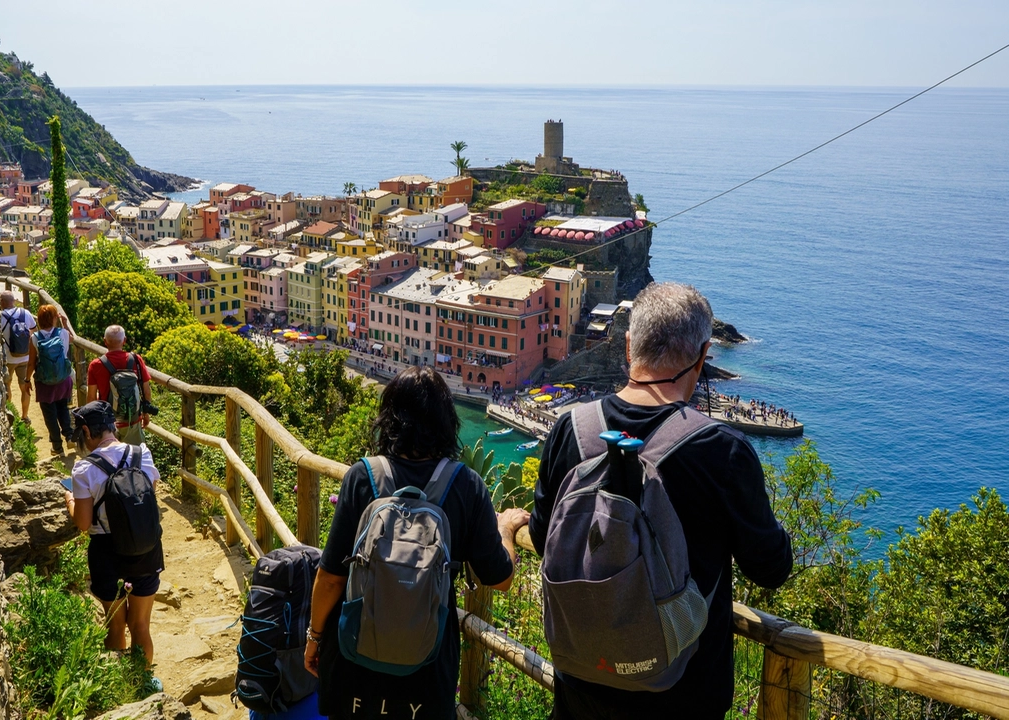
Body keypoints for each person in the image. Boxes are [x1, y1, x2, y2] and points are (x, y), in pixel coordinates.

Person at [529, 282, 792, 720]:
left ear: (629, 346)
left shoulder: (569, 430)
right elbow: (770, 568)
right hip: (683, 697)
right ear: (703, 356)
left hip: (580, 686)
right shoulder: (723, 450)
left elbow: (543, 539)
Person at [304, 366, 530, 720]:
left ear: (388, 418)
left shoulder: (362, 476)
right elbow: (499, 578)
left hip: (353, 663)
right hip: (426, 674)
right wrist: (506, 527)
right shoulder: (467, 485)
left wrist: (315, 636)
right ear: (447, 422)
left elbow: (331, 578)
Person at [64, 401, 162, 670]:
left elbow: (83, 523)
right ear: (112, 427)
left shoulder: (83, 469)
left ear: (86, 430)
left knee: (115, 625)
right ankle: (143, 683)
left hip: (107, 552)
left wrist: (70, 500)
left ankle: (122, 686)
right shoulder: (142, 453)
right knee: (141, 624)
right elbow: (148, 495)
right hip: (145, 546)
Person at [86, 325, 154, 445]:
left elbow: (91, 398)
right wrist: (145, 413)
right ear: (124, 340)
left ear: (105, 341)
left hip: (108, 423)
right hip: (132, 421)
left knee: (112, 460)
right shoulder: (136, 359)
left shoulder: (96, 365)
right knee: (134, 458)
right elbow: (146, 390)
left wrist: (91, 423)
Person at [27, 304, 75, 455]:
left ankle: (57, 446)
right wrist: (65, 323)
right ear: (55, 318)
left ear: (39, 320)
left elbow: (31, 362)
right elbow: (74, 339)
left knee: (49, 414)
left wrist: (26, 380)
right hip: (63, 379)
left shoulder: (34, 338)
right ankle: (69, 436)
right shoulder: (63, 334)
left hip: (45, 382)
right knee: (63, 408)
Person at [0, 290, 34, 422]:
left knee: (7, 384)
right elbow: (33, 331)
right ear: (13, 301)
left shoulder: (0, 316)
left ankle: (9, 413)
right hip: (25, 356)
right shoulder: (25, 313)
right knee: (24, 386)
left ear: (2, 302)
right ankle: (25, 416)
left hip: (8, 358)